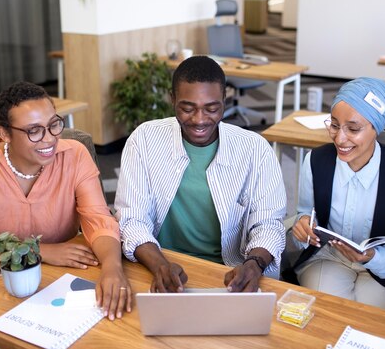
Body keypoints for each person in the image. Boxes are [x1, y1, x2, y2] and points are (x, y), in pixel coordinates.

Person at [0, 82, 131, 348]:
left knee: (95, 309)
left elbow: (98, 219)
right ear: (5, 133)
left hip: (61, 261)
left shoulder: (75, 155)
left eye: (53, 124)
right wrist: (39, 250)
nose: (49, 138)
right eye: (34, 130)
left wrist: (114, 269)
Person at [115, 55, 286, 293]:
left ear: (224, 101)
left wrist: (254, 264)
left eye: (212, 109)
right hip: (159, 263)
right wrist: (160, 265)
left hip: (228, 274)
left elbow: (268, 224)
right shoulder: (144, 140)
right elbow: (131, 219)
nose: (199, 120)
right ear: (172, 99)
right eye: (187, 108)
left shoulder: (255, 150)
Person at [289, 77, 385, 310]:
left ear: (377, 128)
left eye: (353, 129)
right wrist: (302, 224)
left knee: (367, 321)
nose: (340, 138)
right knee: (328, 313)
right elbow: (305, 213)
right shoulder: (315, 161)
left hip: (382, 267)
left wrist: (374, 257)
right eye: (334, 125)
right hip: (328, 257)